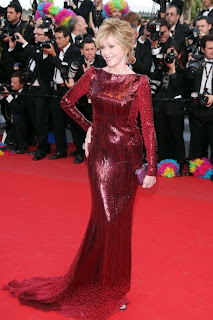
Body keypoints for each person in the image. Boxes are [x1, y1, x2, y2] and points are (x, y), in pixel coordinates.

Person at [3, 19, 157, 319]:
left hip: (128, 158)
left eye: (111, 46)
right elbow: (67, 101)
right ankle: (101, 284)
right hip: (100, 157)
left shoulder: (140, 82)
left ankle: (116, 286)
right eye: (102, 47)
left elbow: (148, 127)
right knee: (107, 219)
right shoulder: (94, 74)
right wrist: (89, 128)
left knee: (120, 224)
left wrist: (152, 167)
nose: (106, 52)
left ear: (127, 46)